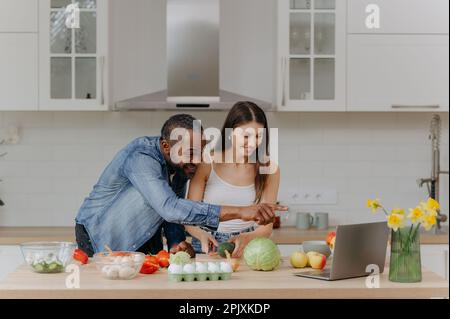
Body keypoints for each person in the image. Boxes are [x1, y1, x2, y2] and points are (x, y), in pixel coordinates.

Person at [75, 114, 286, 257]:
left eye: (201, 150)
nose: (197, 160)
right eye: (191, 152)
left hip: (145, 242)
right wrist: (241, 212)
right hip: (100, 236)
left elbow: (176, 212)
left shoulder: (183, 165)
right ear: (166, 146)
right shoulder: (141, 158)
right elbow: (168, 207)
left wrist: (177, 242)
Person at [186, 102, 280, 258]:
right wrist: (201, 235)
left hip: (247, 245)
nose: (252, 143)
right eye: (246, 136)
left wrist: (247, 238)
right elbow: (189, 215)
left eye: (258, 136)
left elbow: (266, 226)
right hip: (207, 244)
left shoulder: (269, 170)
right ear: (230, 132)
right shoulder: (207, 162)